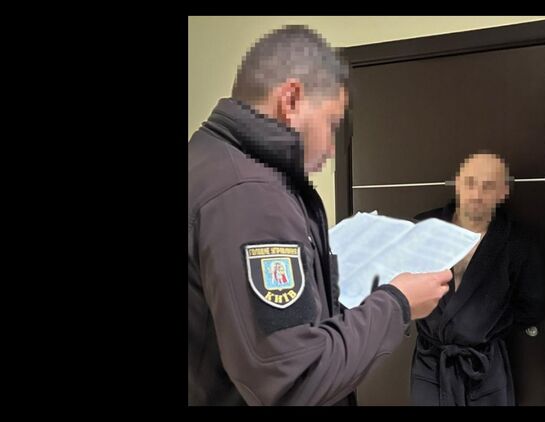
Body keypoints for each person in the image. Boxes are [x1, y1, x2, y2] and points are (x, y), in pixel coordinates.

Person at [188, 25, 452, 406]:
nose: (330, 148)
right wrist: (398, 304)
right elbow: (296, 380)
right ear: (291, 99)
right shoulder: (250, 195)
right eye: (331, 124)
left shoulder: (208, 158)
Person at [410, 152, 545, 406]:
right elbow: (400, 283)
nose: (476, 194)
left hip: (484, 367)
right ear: (457, 183)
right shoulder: (424, 229)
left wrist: (487, 322)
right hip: (432, 365)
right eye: (470, 182)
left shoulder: (519, 243)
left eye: (488, 186)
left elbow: (533, 307)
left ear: (503, 192)